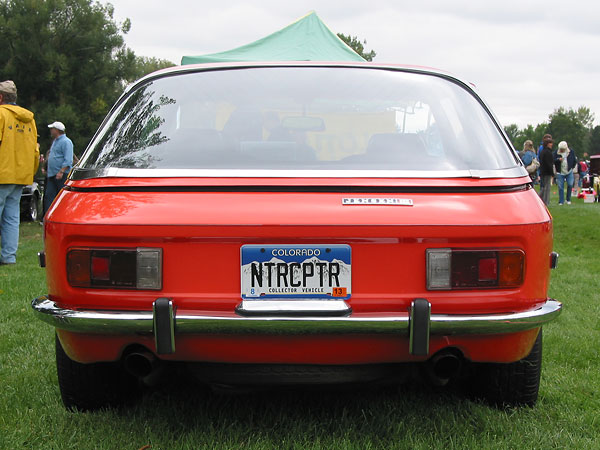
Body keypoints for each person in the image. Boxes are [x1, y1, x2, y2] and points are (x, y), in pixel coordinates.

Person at [0, 80, 39, 265]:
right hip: (20, 176)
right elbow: (35, 151)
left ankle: (7, 257)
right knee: (11, 219)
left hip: (2, 173)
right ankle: (8, 256)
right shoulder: (29, 119)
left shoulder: (1, 114)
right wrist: (29, 174)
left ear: (0, 97)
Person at [43, 121, 73, 217]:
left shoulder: (66, 142)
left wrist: (61, 171)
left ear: (57, 130)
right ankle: (49, 216)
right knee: (49, 196)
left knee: (61, 197)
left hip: (61, 174)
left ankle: (63, 215)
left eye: (52, 129)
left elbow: (68, 159)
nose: (51, 131)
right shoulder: (55, 141)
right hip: (52, 174)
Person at [554, 141, 576, 205]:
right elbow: (553, 160)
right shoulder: (556, 152)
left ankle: (568, 199)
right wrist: (558, 160)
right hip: (560, 172)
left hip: (569, 171)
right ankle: (561, 201)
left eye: (563, 149)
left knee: (570, 184)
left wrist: (572, 167)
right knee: (560, 187)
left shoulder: (571, 152)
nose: (561, 150)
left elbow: (574, 160)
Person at [538, 135, 554, 206]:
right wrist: (552, 173)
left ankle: (539, 199)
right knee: (547, 188)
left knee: (543, 187)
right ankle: (545, 201)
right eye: (550, 143)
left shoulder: (543, 151)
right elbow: (549, 164)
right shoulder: (548, 152)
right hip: (547, 172)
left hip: (543, 171)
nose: (552, 144)